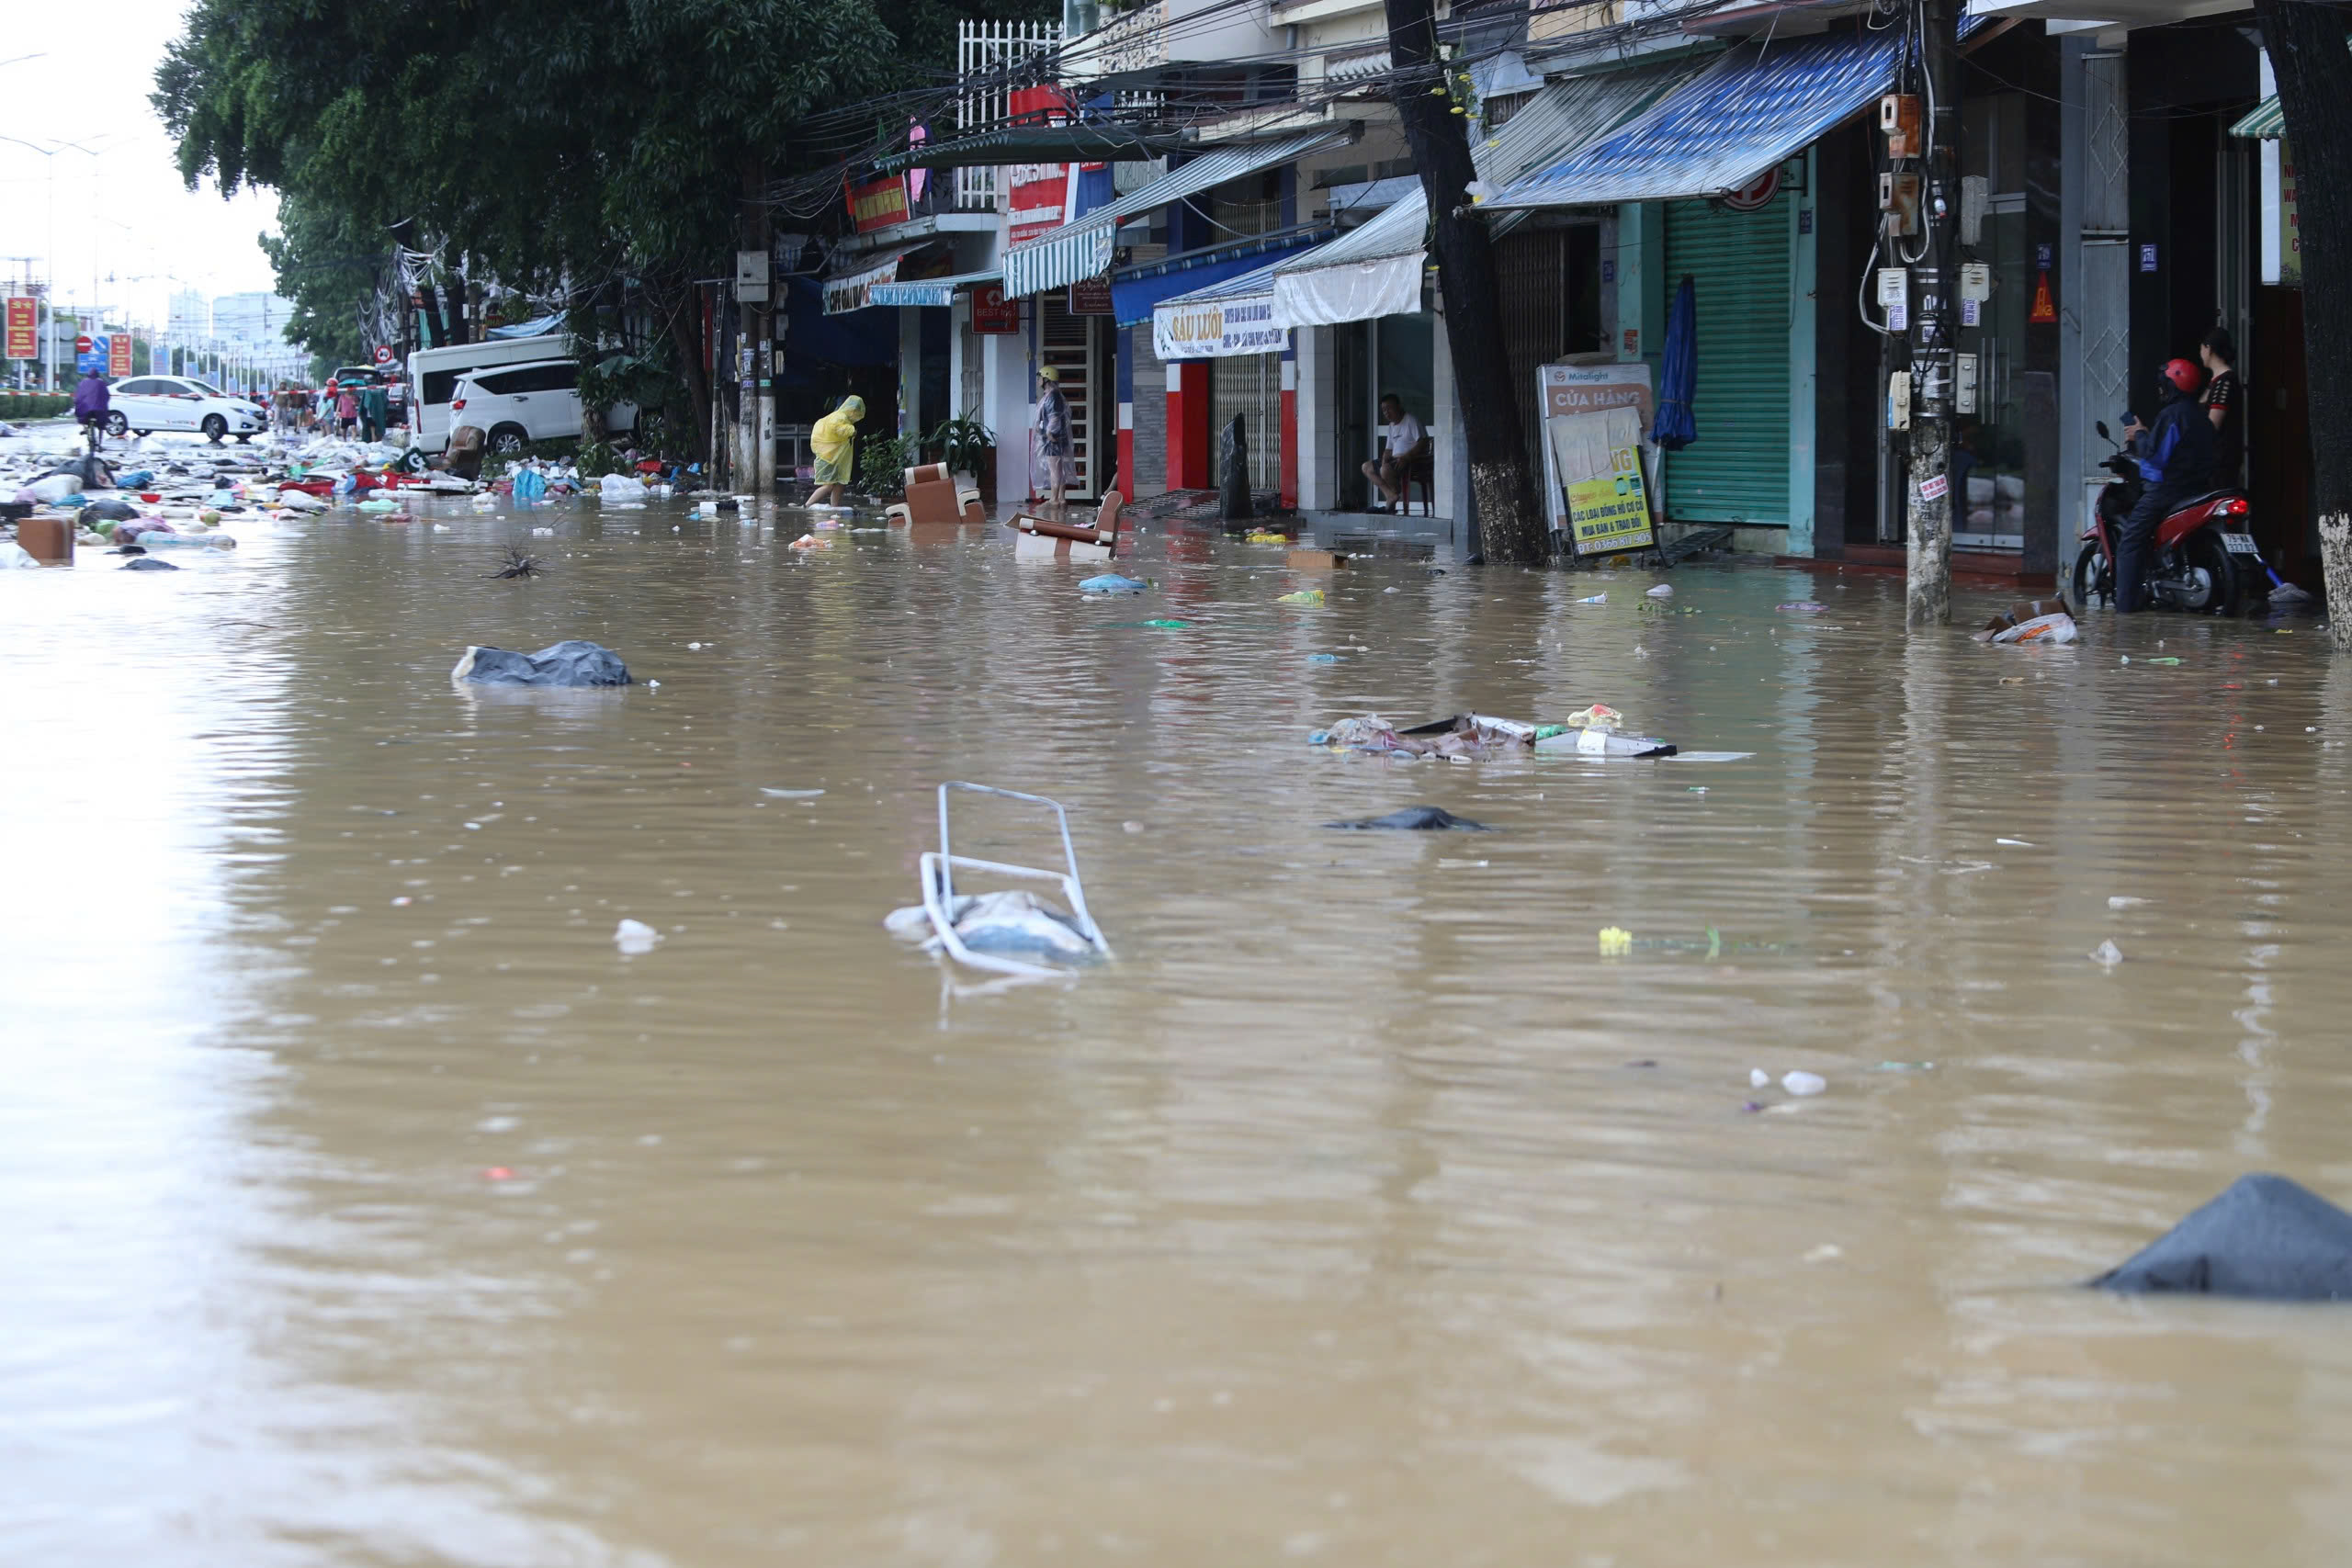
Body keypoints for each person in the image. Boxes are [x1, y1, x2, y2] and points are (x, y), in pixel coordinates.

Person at [2114, 358, 2216, 613]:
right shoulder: (2201, 417)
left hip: (2166, 492)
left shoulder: (2173, 414)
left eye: (2164, 384)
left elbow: (2155, 455)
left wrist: (2138, 433)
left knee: (2130, 541)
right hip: (2197, 490)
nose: (2161, 389)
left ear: (2172, 386)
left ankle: (2125, 610)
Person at [1361, 392, 1428, 513]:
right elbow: (1388, 449)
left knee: (1384, 470)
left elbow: (1423, 442)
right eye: (1384, 410)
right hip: (1393, 461)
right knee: (1366, 467)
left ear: (1398, 406)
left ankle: (1392, 498)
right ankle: (1390, 495)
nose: (1387, 413)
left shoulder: (1411, 421)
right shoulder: (1391, 426)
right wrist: (1384, 459)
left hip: (1409, 461)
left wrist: (1407, 457)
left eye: (1389, 408)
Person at [2199, 326, 2244, 490]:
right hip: (2215, 459)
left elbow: (2212, 425)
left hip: (2221, 459)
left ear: (2208, 349)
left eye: (2201, 349)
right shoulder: (2217, 381)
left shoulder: (2224, 381)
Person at [808, 393, 865, 508]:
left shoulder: (841, 417)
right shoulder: (839, 417)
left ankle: (835, 508)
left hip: (836, 458)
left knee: (840, 484)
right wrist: (851, 430)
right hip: (829, 457)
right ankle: (807, 505)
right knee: (828, 485)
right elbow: (837, 428)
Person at [1033, 367, 1075, 511]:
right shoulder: (1055, 395)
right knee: (1059, 468)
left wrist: (1050, 433)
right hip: (1058, 438)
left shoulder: (1052, 396)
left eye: (1040, 377)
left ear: (1046, 379)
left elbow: (1054, 416)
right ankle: (1061, 499)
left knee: (1054, 470)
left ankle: (1054, 499)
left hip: (1053, 439)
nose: (1038, 380)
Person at [72, 367, 110, 451]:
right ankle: (99, 444)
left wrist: (77, 402)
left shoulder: (83, 383)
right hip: (99, 410)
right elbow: (107, 395)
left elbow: (78, 395)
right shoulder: (101, 383)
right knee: (101, 426)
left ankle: (85, 429)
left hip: (85, 409)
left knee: (80, 417)